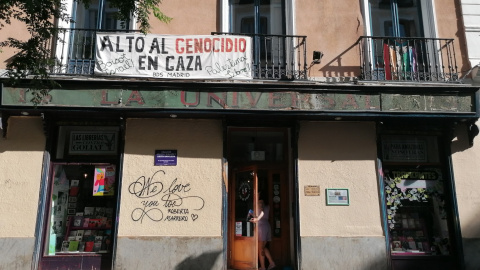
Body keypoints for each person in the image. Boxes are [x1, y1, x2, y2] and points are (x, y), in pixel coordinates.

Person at [250, 196, 276, 270]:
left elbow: (261, 212)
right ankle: (271, 263)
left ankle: (263, 267)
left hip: (261, 227)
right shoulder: (267, 206)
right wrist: (252, 214)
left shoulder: (259, 204)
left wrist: (257, 219)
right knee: (263, 247)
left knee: (260, 248)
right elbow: (258, 213)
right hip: (266, 226)